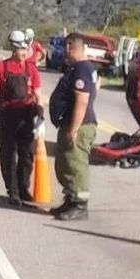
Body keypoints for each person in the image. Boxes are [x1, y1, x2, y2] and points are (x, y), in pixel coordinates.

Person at [0, 30, 44, 205]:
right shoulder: (0, 67)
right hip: (7, 116)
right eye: (20, 48)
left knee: (27, 155)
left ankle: (23, 188)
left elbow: (39, 94)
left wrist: (40, 118)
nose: (24, 52)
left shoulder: (31, 69)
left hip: (26, 115)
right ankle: (13, 191)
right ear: (12, 48)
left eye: (26, 48)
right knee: (8, 155)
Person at [49, 32, 98, 220]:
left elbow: (82, 100)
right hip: (71, 122)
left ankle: (80, 205)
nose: (63, 52)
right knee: (66, 164)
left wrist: (74, 129)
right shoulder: (80, 68)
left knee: (76, 165)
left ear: (69, 46)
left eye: (64, 48)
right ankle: (70, 199)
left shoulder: (82, 68)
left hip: (80, 125)